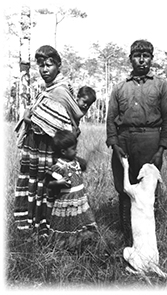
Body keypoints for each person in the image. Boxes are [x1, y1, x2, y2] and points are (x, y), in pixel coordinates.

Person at [14, 45, 96, 243]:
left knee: (47, 184)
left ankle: (50, 227)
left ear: (58, 65)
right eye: (40, 65)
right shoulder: (49, 89)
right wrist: (28, 118)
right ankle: (34, 224)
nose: (44, 69)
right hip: (36, 146)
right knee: (37, 182)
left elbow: (65, 122)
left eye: (49, 65)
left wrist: (32, 118)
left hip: (48, 147)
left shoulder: (60, 91)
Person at [106, 39, 167, 246]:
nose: (142, 60)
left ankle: (149, 237)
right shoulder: (120, 88)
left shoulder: (161, 86)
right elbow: (111, 119)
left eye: (146, 56)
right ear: (130, 59)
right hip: (124, 141)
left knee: (149, 189)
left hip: (150, 140)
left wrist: (160, 149)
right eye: (137, 56)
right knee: (125, 189)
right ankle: (127, 235)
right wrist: (115, 145)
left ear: (152, 59)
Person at [45, 129, 98, 249]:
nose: (76, 151)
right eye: (73, 149)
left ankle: (81, 243)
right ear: (63, 151)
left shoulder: (76, 162)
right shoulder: (59, 167)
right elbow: (48, 183)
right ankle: (66, 246)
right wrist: (59, 182)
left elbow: (83, 166)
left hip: (79, 199)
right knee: (68, 223)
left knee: (80, 220)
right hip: (67, 201)